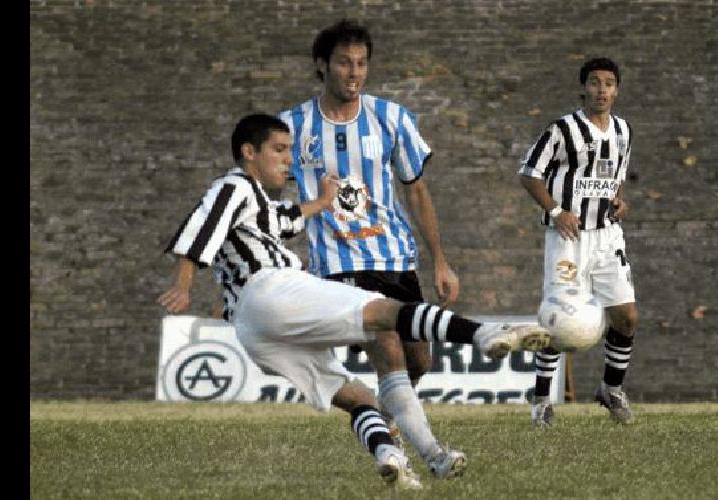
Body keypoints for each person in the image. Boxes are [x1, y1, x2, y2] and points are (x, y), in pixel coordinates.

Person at [158, 113, 552, 489]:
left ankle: (407, 457)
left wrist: (325, 200)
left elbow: (288, 219)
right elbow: (202, 226)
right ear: (249, 152)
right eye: (278, 149)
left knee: (357, 398)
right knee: (384, 311)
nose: (287, 159)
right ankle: (485, 334)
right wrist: (184, 283)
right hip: (271, 288)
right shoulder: (233, 187)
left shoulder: (258, 202)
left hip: (254, 328)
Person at [277, 20, 458, 410]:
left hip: (394, 257)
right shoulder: (292, 126)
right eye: (344, 63)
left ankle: (387, 412)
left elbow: (417, 190)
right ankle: (394, 437)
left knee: (418, 359)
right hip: (338, 263)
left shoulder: (391, 118)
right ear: (322, 65)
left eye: (361, 63)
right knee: (388, 345)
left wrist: (440, 262)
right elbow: (265, 191)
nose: (354, 72)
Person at [517, 57, 639, 426]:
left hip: (606, 237)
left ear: (616, 90)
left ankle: (611, 390)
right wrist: (556, 211)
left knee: (627, 316)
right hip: (567, 238)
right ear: (583, 88)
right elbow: (529, 173)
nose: (602, 90)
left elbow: (614, 176)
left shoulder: (623, 131)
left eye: (608, 83)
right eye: (595, 83)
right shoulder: (562, 130)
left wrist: (619, 199)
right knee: (557, 320)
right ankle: (541, 400)